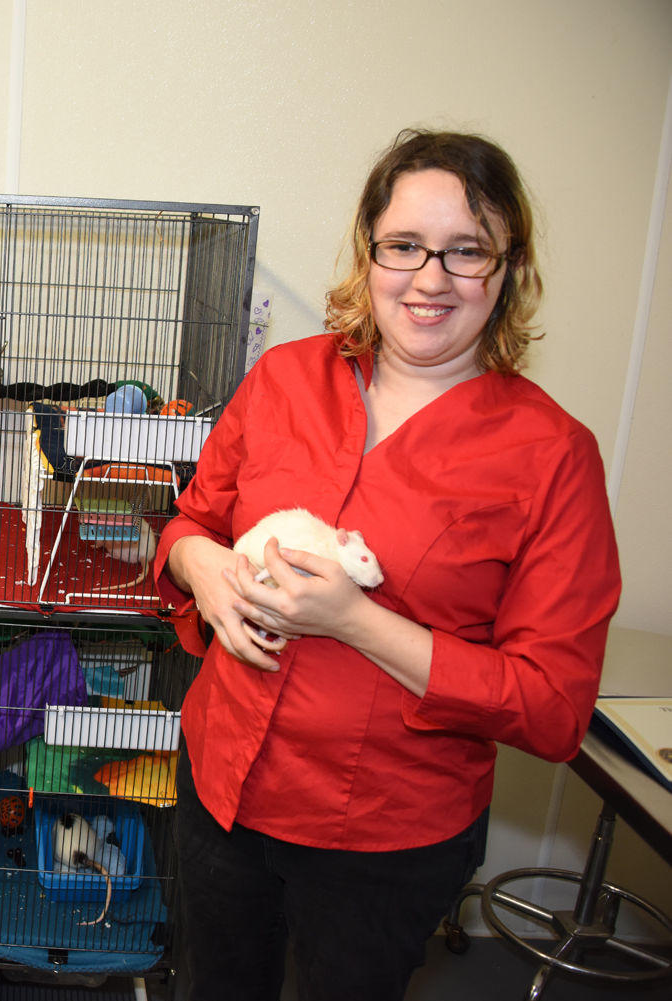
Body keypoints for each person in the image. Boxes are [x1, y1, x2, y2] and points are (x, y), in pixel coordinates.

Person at [156, 129, 620, 1001]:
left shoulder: (553, 455)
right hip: (222, 791)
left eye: (466, 251)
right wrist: (202, 568)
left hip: (383, 840)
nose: (430, 277)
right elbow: (189, 520)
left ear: (507, 266)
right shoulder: (288, 379)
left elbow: (552, 706)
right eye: (405, 245)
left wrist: (355, 621)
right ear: (369, 252)